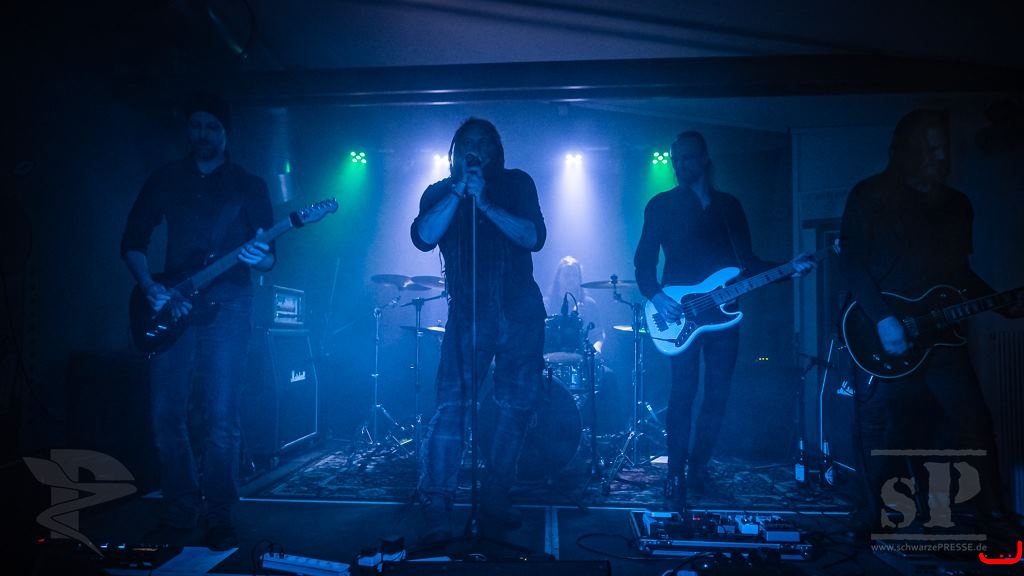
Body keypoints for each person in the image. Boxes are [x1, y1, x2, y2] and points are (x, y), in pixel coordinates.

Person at [840, 108, 1021, 539]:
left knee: (972, 419)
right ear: (906, 150)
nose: (941, 157)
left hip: (942, 335)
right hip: (882, 332)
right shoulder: (870, 195)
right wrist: (884, 318)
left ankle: (992, 512)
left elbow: (959, 274)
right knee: (880, 425)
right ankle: (873, 515)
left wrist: (1001, 303)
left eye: (945, 148)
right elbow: (851, 263)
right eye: (931, 148)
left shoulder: (957, 205)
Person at [120, 92, 275, 551]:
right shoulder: (166, 178)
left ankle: (219, 514)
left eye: (212, 126)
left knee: (222, 416)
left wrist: (260, 255)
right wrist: (150, 286)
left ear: (226, 133)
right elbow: (132, 241)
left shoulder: (249, 185)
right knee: (165, 414)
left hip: (230, 304)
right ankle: (180, 509)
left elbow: (269, 258)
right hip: (174, 302)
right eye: (196, 125)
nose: (202, 134)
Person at [634, 130, 814, 510]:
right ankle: (675, 474)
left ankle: (699, 469)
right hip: (679, 312)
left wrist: (788, 269)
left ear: (704, 158)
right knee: (682, 394)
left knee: (718, 395)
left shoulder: (729, 206)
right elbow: (643, 263)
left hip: (723, 318)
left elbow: (748, 264)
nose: (680, 165)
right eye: (675, 158)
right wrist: (658, 297)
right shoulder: (662, 205)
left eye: (687, 157)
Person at [410, 118, 547, 543]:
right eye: (466, 142)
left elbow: (533, 237)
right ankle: (437, 502)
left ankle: (495, 495)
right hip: (468, 315)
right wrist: (459, 192)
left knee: (516, 406)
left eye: (483, 143)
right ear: (454, 151)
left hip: (520, 313)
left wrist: (484, 202)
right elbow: (423, 237)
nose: (475, 148)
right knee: (452, 406)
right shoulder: (438, 192)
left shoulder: (517, 184)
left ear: (495, 151)